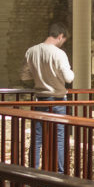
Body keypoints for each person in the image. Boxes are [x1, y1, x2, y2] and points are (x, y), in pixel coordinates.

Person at [20, 22, 74, 173]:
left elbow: (24, 76)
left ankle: (33, 172)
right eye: (64, 40)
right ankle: (61, 173)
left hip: (40, 100)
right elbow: (68, 78)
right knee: (60, 138)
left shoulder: (31, 51)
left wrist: (39, 75)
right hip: (58, 100)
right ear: (60, 36)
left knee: (37, 138)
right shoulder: (59, 54)